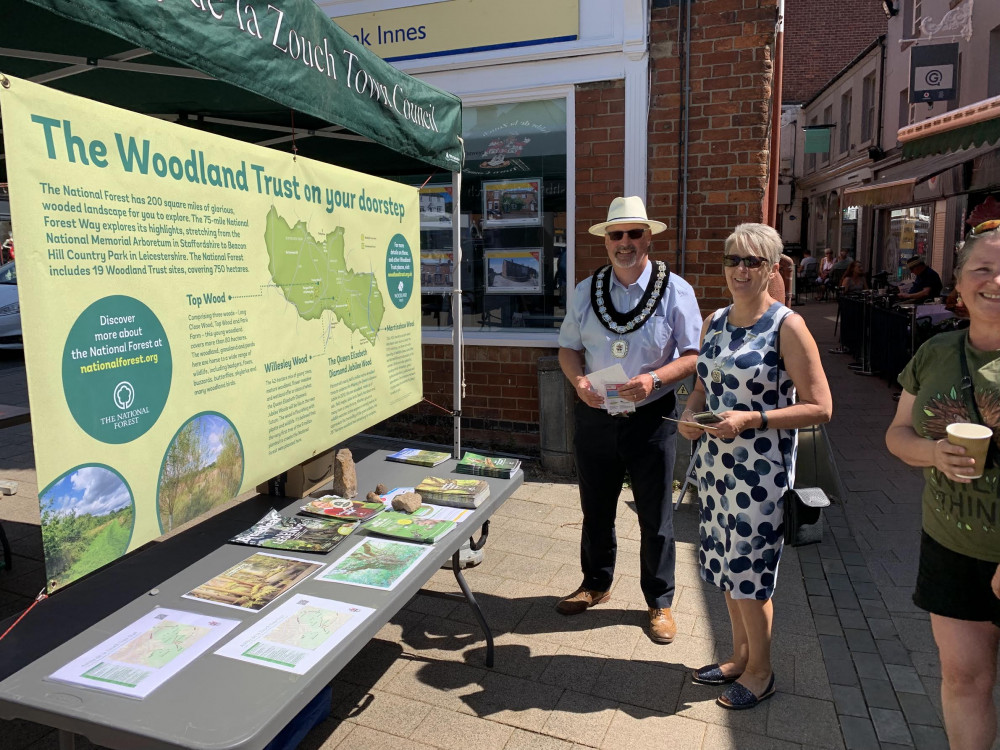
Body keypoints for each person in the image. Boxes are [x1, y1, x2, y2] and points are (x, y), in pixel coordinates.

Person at [679, 223, 832, 709]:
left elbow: (821, 406)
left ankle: (762, 672)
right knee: (725, 570)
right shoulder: (716, 321)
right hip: (715, 468)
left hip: (760, 474)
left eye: (752, 261)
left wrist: (754, 418)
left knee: (750, 575)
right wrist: (689, 413)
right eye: (732, 260)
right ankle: (739, 657)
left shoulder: (787, 325)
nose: (740, 270)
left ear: (770, 268)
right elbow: (704, 385)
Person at [556, 196, 702, 644]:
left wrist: (656, 377)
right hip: (598, 414)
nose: (625, 243)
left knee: (655, 516)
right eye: (616, 234)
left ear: (648, 237)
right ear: (606, 240)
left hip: (651, 416)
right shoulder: (586, 290)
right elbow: (568, 348)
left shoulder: (676, 289)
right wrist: (578, 382)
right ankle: (596, 583)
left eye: (634, 233)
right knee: (595, 508)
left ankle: (660, 601)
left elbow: (694, 355)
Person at [885, 218, 1000, 749]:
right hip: (951, 545)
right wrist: (931, 451)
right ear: (958, 282)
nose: (995, 282)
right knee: (963, 681)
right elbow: (898, 433)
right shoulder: (937, 351)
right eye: (983, 269)